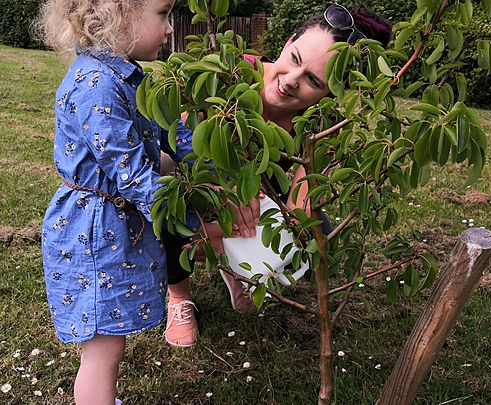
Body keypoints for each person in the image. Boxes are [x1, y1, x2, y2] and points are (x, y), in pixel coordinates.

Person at [164, 2, 392, 347]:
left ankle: (240, 267)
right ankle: (179, 296)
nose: (290, 81)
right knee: (169, 200)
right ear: (288, 42)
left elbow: (302, 200)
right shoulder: (232, 74)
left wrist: (275, 233)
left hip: (261, 207)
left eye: (313, 80)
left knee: (319, 231)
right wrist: (224, 191)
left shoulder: (322, 123)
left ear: (331, 95)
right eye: (295, 59)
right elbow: (183, 146)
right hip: (205, 191)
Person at [37, 0, 191, 403]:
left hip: (109, 224)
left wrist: (195, 150)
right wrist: (188, 213)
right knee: (103, 350)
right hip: (93, 233)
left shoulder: (123, 77)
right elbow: (133, 175)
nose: (171, 28)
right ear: (117, 17)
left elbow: (164, 136)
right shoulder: (96, 86)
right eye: (162, 15)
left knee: (108, 344)